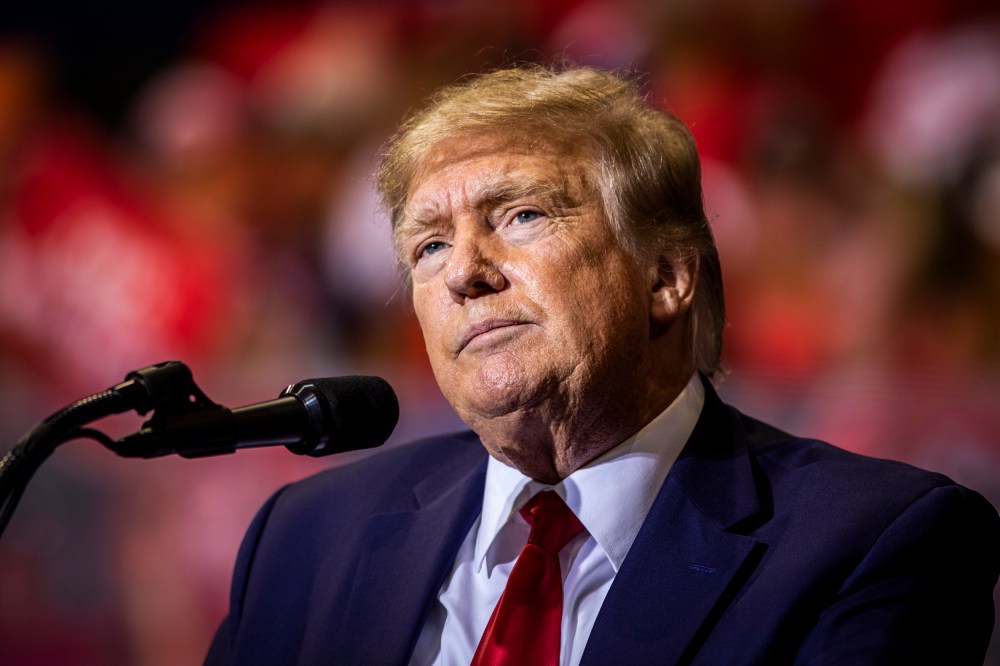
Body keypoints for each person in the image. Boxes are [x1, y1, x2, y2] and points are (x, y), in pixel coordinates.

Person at [204, 65, 1000, 665]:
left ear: (666, 276)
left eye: (520, 215)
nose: (464, 273)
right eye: (430, 244)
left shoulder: (871, 542)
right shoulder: (303, 542)